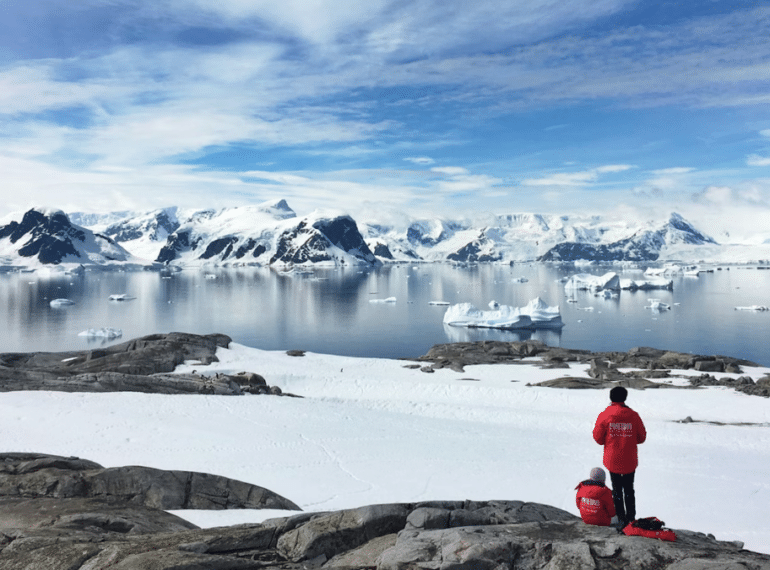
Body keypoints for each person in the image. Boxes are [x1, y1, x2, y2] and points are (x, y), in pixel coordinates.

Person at [593, 386, 646, 529]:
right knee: (629, 489)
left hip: (613, 459)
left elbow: (598, 438)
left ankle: (621, 519)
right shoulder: (633, 415)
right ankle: (631, 518)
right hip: (629, 459)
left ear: (611, 398)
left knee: (617, 490)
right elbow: (642, 437)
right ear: (625, 398)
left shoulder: (605, 415)